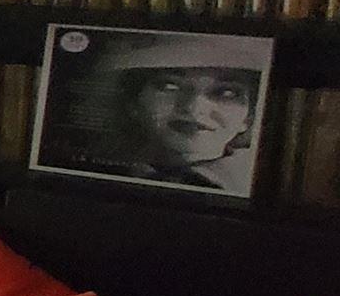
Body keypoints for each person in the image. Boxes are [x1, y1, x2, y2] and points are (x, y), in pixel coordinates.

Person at [40, 31, 263, 195]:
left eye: (226, 92)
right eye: (170, 86)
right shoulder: (89, 176)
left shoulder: (254, 186)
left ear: (249, 117)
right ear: (133, 102)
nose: (194, 108)